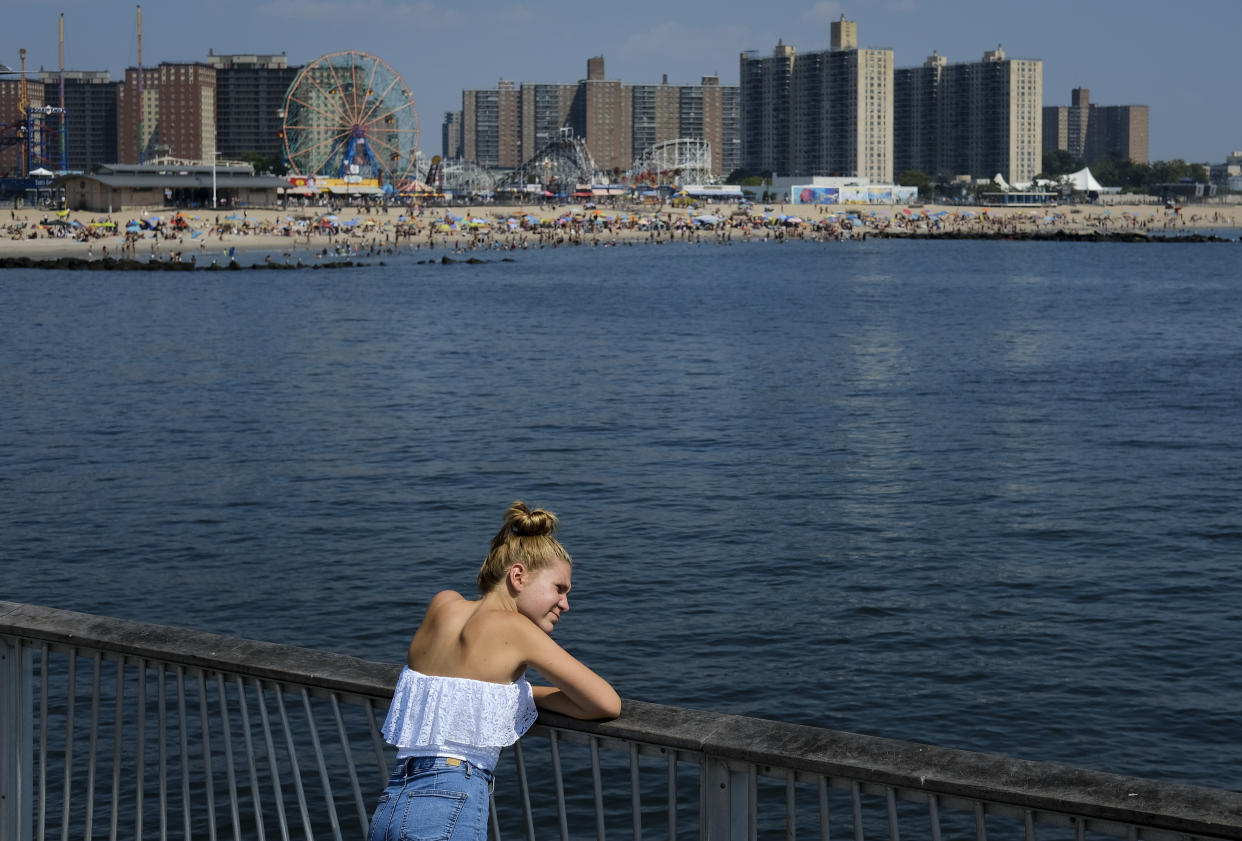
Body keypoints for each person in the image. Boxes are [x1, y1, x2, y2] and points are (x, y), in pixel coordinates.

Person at [367, 501, 620, 841]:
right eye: (559, 589)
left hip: (393, 801)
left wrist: (522, 696)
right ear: (518, 576)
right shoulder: (515, 628)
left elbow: (461, 683)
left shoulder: (443, 604)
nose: (565, 604)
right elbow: (606, 703)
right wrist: (533, 697)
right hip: (449, 804)